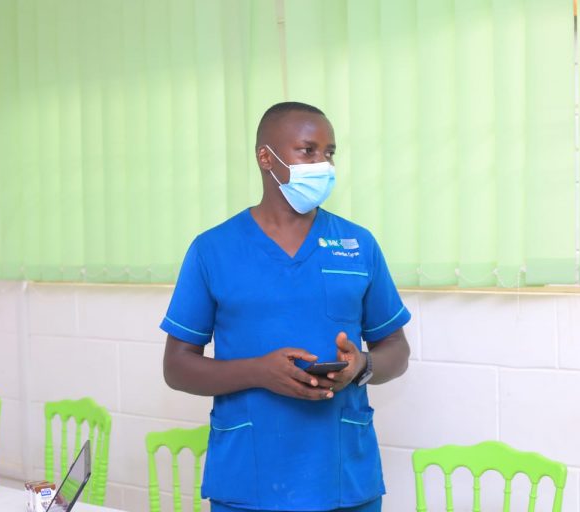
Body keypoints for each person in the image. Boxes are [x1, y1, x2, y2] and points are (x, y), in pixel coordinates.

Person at [160, 101, 411, 512]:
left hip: (345, 482)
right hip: (250, 484)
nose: (323, 164)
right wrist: (260, 371)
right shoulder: (213, 250)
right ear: (266, 158)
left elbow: (396, 351)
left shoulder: (357, 245)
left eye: (329, 153)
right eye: (308, 151)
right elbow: (176, 367)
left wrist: (360, 366)